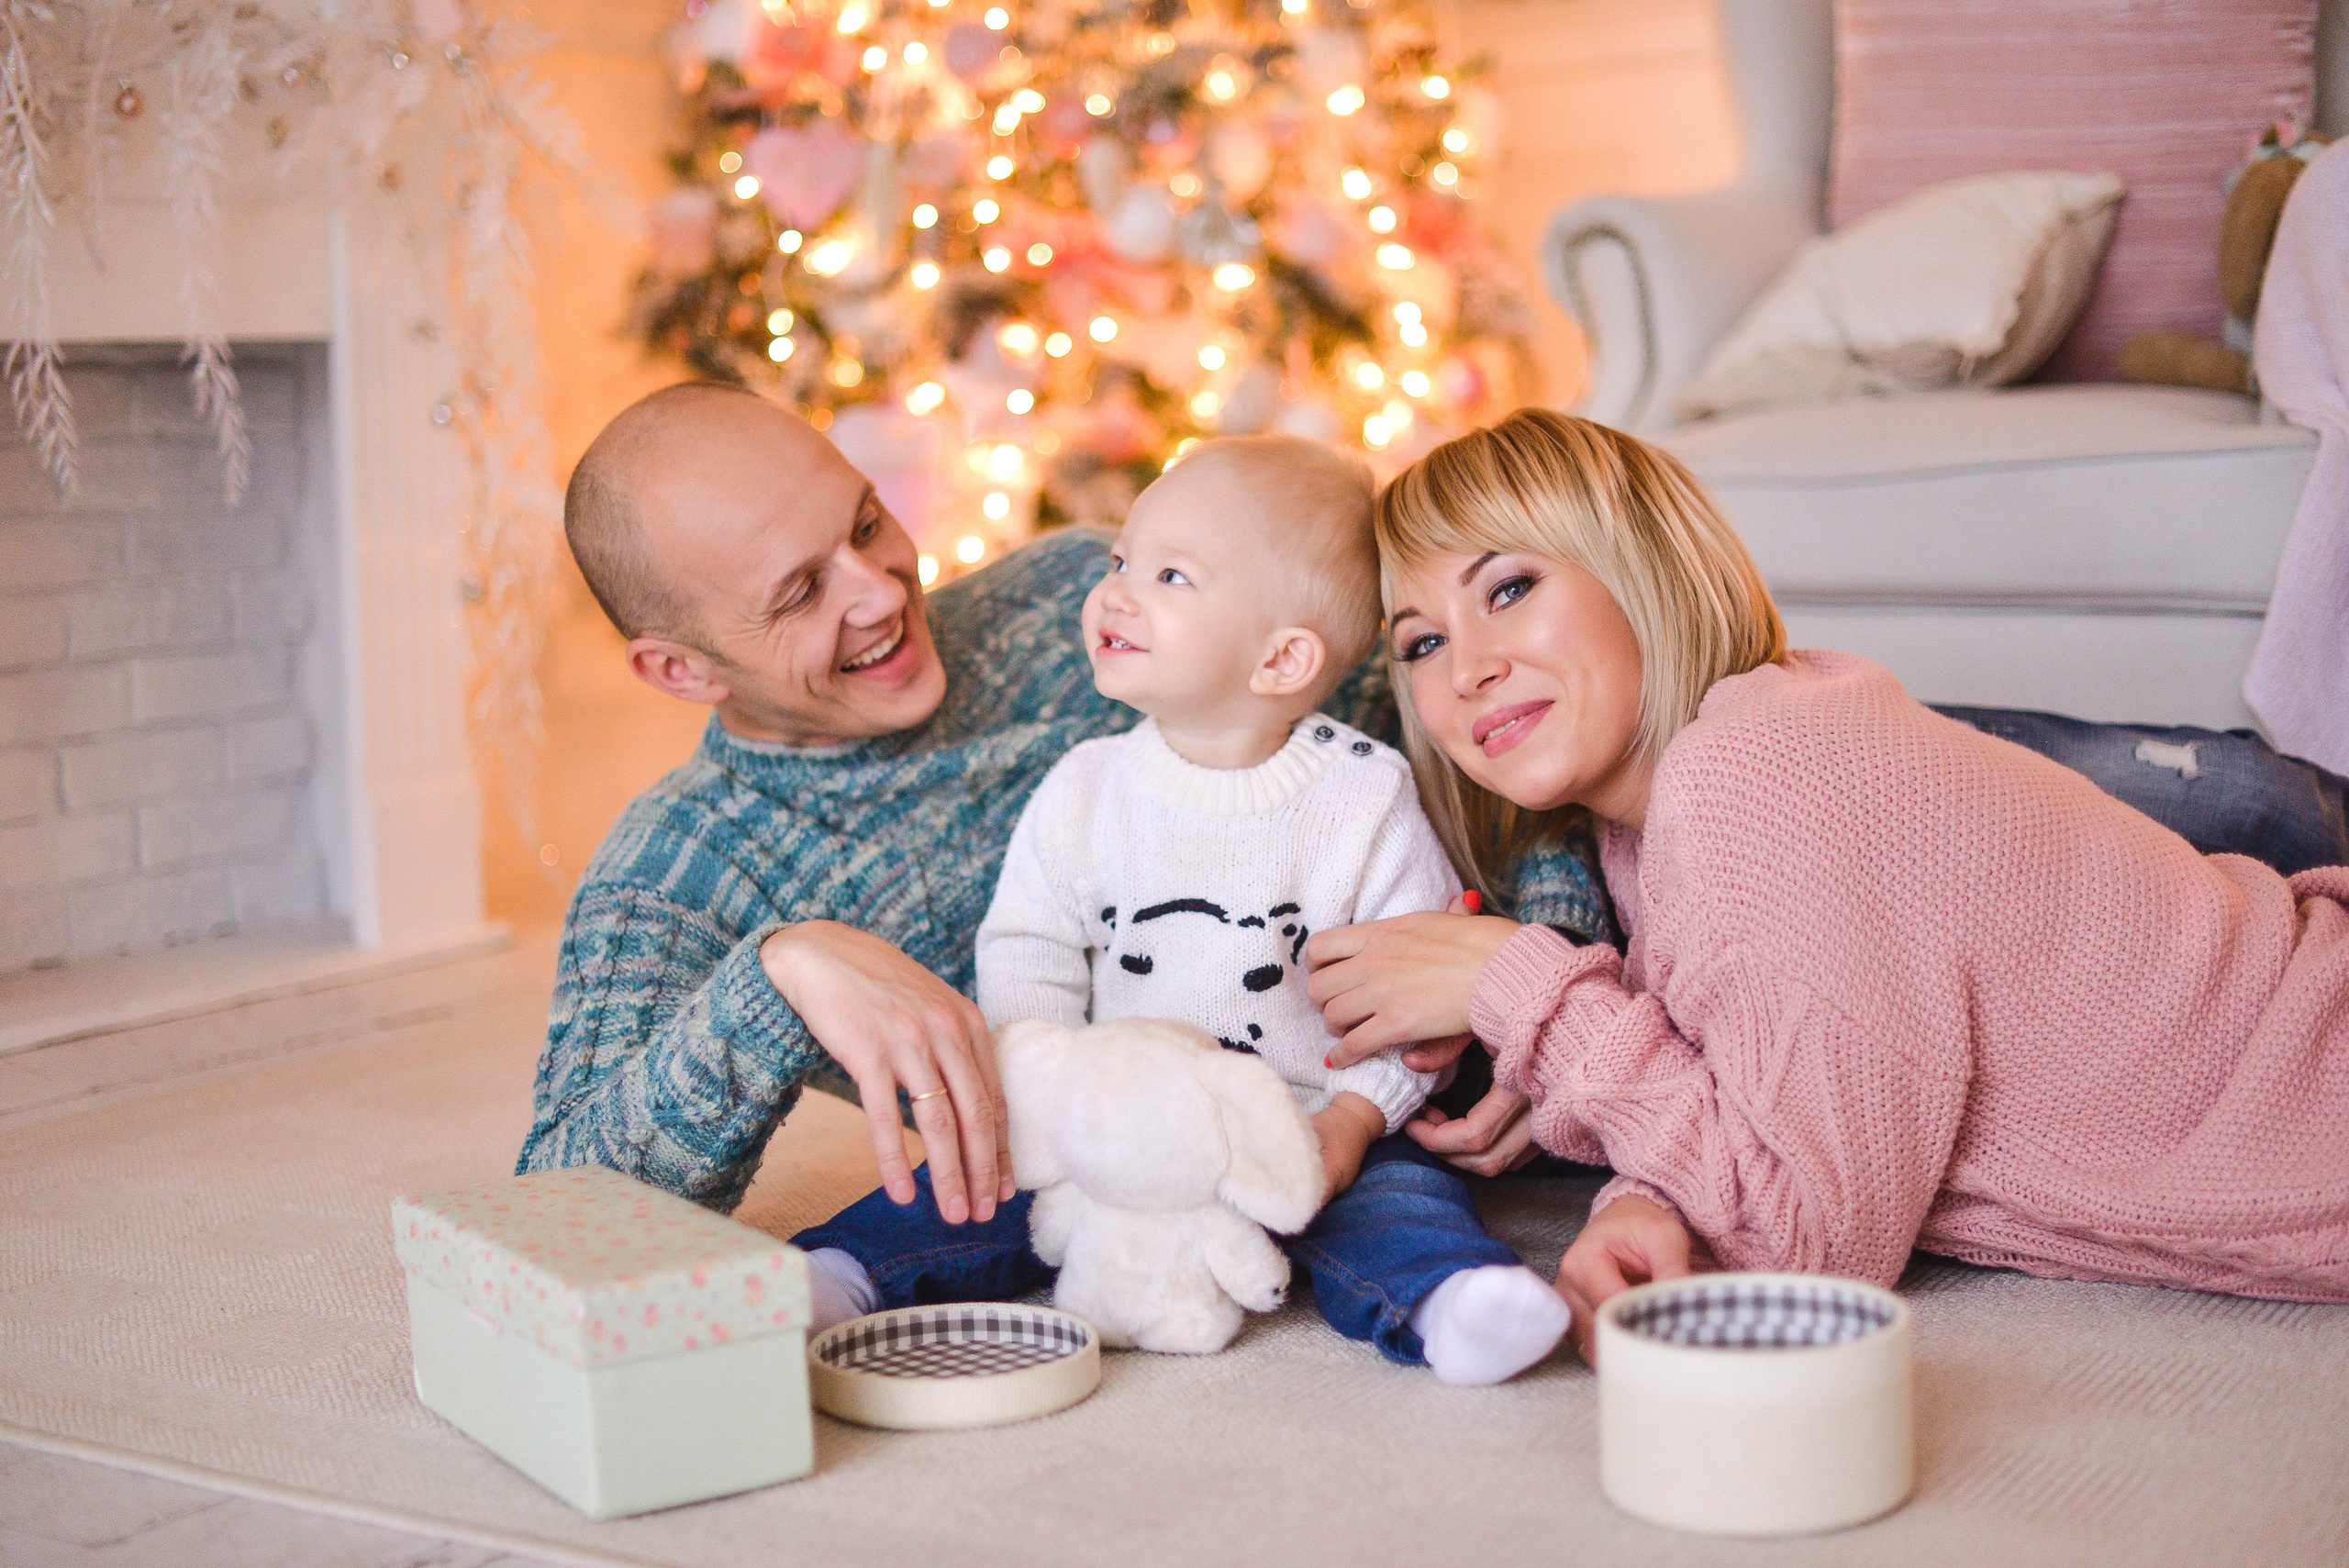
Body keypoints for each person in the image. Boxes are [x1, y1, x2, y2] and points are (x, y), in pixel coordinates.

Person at [1304, 408, 2349, 1362]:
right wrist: (1649, 1201)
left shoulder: (1754, 767)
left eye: (1510, 587)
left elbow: (1803, 1238)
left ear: (1642, 567)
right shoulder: (1677, 798)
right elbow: (1771, 1062)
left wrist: (1522, 985)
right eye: (1424, 642)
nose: (1466, 667)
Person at [513, 383, 1611, 1225]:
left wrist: (1531, 972)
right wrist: (779, 971)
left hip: (1366, 1123)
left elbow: (1469, 712)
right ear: (680, 671)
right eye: (800, 593)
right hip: (1098, 1200)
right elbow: (555, 1201)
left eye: (865, 522)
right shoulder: (680, 867)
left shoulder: (1079, 595)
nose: (882, 590)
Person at [793, 435, 1573, 1382]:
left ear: (1283, 657)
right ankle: (837, 1275)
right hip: (1113, 1122)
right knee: (957, 1192)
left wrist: (1357, 1121)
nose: (1114, 591)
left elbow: (1411, 1002)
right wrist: (1046, 1084)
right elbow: (1029, 943)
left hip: (1299, 1128)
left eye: (1170, 574)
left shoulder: (1363, 798)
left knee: (1403, 1204)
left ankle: (1455, 1304)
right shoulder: (1087, 785)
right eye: (1122, 560)